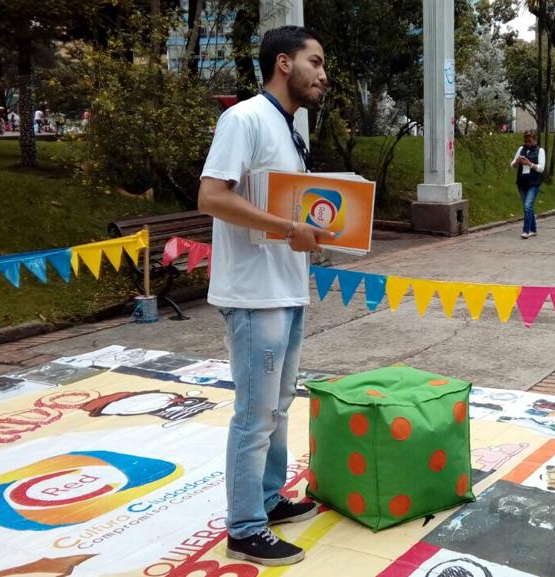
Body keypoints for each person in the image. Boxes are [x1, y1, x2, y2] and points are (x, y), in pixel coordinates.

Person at [196, 25, 333, 567]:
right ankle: (245, 528)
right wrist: (285, 228)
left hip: (287, 287)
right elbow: (211, 195)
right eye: (315, 62)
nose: (323, 75)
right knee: (254, 414)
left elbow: (286, 212)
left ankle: (269, 501)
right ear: (283, 63)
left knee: (277, 406)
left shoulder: (289, 125)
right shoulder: (245, 118)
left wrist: (313, 234)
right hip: (254, 295)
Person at [510, 129, 546, 239]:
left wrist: (529, 164)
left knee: (527, 206)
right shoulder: (521, 149)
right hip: (522, 182)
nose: (527, 144)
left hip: (534, 182)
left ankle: (526, 230)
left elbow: (541, 168)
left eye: (529, 141)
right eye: (526, 141)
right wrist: (517, 162)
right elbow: (512, 165)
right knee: (528, 207)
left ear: (535, 140)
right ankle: (533, 229)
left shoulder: (540, 151)